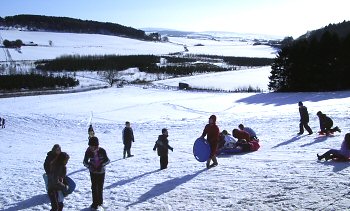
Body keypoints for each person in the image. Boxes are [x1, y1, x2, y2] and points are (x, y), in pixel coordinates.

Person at [83, 136, 110, 210]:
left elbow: (107, 160)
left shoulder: (102, 151)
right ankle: (95, 203)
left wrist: (101, 165)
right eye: (90, 146)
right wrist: (90, 166)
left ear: (96, 145)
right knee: (94, 187)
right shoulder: (88, 151)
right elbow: (84, 162)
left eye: (93, 146)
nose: (91, 148)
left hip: (101, 172)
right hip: (93, 172)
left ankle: (100, 201)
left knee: (100, 186)